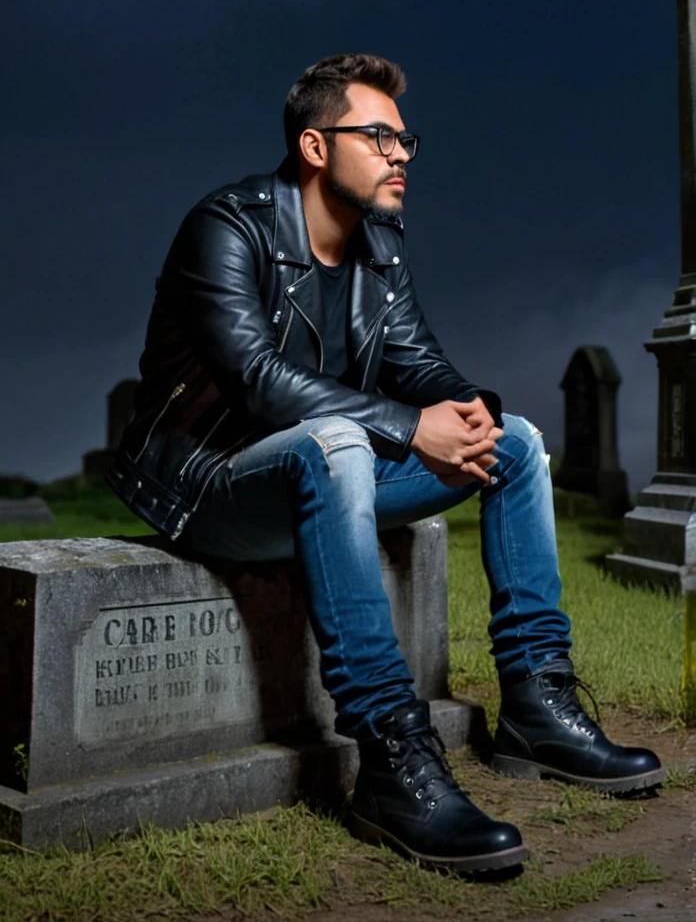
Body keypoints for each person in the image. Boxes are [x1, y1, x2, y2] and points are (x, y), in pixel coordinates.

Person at [107, 53, 664, 875]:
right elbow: (258, 383)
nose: (402, 154)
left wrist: (468, 407)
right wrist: (410, 428)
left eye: (407, 141)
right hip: (211, 485)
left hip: (323, 471)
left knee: (514, 444)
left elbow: (418, 361)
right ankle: (391, 757)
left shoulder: (380, 244)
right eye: (379, 136)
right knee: (335, 444)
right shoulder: (227, 227)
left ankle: (538, 707)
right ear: (315, 146)